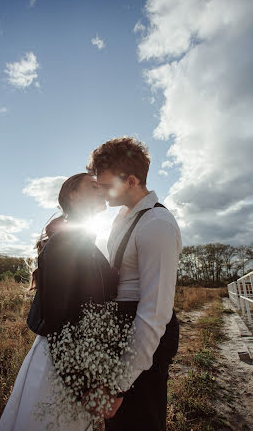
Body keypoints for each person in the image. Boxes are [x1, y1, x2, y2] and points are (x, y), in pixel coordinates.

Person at [0, 173, 120, 431]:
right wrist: (84, 386)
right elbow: (59, 323)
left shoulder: (87, 242)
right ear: (74, 195)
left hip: (76, 361)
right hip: (56, 365)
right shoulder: (65, 242)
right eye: (93, 186)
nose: (102, 190)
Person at [87, 136, 182, 431]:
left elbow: (154, 313)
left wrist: (119, 384)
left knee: (141, 422)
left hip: (143, 338)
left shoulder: (157, 225)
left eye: (104, 185)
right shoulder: (121, 218)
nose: (99, 191)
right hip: (120, 329)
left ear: (130, 181)